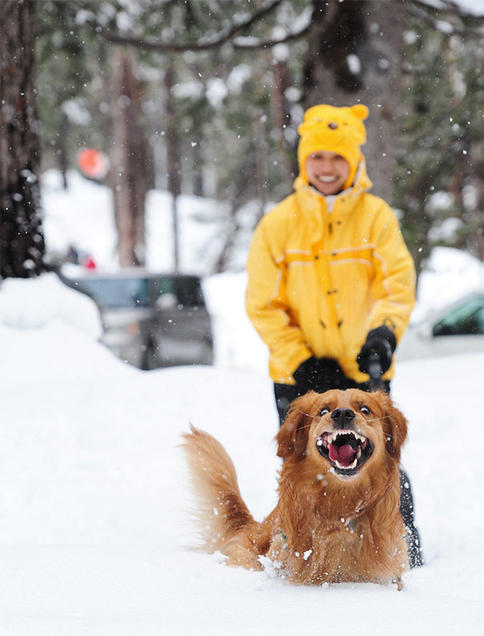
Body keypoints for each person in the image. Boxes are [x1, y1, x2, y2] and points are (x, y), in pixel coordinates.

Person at [245, 103, 423, 567]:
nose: (327, 168)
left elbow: (397, 285)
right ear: (305, 163)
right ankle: (299, 550)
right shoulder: (279, 224)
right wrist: (301, 361)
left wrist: (384, 332)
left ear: (354, 161)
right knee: (303, 466)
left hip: (362, 369)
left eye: (337, 158)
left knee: (381, 464)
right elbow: (263, 304)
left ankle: (398, 547)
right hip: (296, 372)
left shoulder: (376, 216)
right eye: (318, 158)